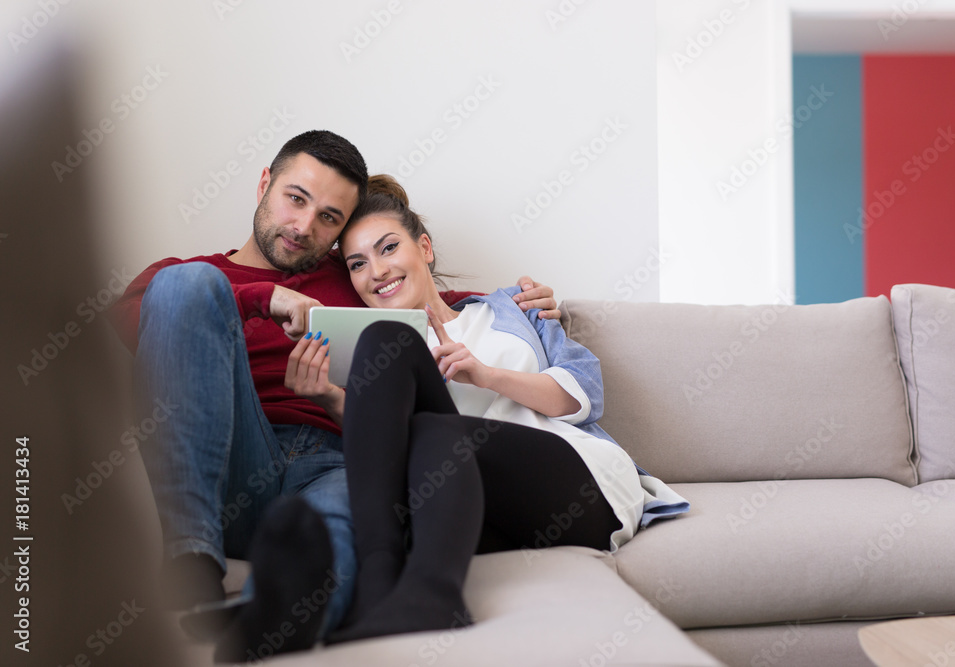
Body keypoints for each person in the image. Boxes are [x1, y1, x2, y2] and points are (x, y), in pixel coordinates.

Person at [111, 131, 562, 661]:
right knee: (189, 285)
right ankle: (192, 565)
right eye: (296, 199)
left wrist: (518, 305)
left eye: (328, 218)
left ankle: (277, 619)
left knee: (345, 524)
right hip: (233, 457)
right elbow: (140, 319)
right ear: (264, 183)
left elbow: (429, 304)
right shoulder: (192, 279)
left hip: (337, 458)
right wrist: (263, 298)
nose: (305, 227)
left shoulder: (350, 276)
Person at [283, 175, 690, 643]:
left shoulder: (512, 309)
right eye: (358, 264)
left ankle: (426, 596)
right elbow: (390, 453)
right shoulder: (380, 358)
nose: (376, 271)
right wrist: (330, 398)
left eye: (388, 248)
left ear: (424, 248)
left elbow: (584, 393)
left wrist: (485, 374)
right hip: (472, 504)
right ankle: (380, 587)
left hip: (577, 486)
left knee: (438, 432)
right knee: (389, 343)